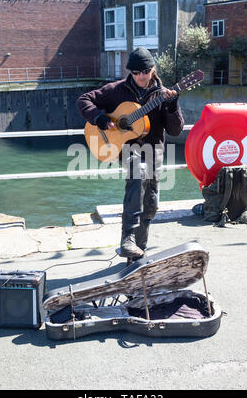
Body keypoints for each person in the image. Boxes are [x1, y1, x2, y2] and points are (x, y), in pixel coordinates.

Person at [77, 47, 184, 262]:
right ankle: (127, 238)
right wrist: (98, 118)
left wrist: (172, 106)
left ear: (153, 69)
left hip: (154, 150)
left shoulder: (162, 94)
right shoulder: (116, 90)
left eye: (145, 71)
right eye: (136, 73)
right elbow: (84, 100)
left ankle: (136, 253)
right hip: (129, 149)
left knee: (151, 204)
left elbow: (175, 130)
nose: (141, 77)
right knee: (138, 173)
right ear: (131, 73)